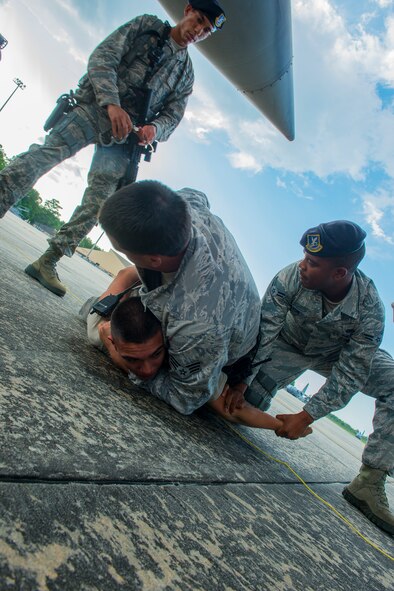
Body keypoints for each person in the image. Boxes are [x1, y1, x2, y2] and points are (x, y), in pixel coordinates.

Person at [0, 1, 226, 297]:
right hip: (94, 109)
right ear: (187, 11)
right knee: (40, 158)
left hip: (124, 138)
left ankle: (49, 260)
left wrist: (154, 129)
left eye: (206, 30)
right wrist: (112, 104)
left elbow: (173, 115)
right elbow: (102, 58)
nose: (198, 31)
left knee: (99, 203)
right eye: (198, 21)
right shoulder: (146, 27)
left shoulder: (186, 74)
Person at [240, 220, 393, 535]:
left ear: (340, 273)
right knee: (242, 404)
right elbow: (264, 330)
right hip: (288, 342)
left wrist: (306, 414)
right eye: (305, 257)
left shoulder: (370, 310)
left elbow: (352, 371)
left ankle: (369, 481)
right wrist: (242, 377)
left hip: (337, 353)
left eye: (313, 263)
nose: (302, 265)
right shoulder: (291, 277)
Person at [97, 179, 262, 419]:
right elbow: (198, 193)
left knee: (98, 334)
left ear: (154, 260)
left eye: (122, 250)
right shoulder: (182, 206)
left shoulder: (195, 322)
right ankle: (124, 281)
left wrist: (119, 360)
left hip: (224, 338)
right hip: (218, 305)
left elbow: (185, 398)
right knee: (115, 324)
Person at [89, 294, 312, 435]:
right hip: (121, 307)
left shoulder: (188, 349)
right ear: (114, 343)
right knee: (92, 318)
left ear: (166, 339)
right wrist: (111, 346)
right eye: (132, 359)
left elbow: (233, 409)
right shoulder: (102, 334)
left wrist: (282, 425)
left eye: (156, 354)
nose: (147, 369)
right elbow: (126, 274)